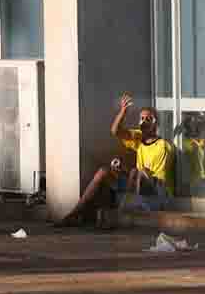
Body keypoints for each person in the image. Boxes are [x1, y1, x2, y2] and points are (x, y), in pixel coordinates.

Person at [55, 92, 175, 226]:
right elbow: (115, 131)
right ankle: (75, 213)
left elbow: (158, 180)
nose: (144, 122)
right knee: (104, 171)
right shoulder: (139, 138)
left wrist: (138, 174)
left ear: (156, 123)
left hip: (156, 187)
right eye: (142, 118)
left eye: (149, 119)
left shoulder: (164, 145)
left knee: (136, 172)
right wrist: (123, 111)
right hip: (137, 180)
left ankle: (120, 216)